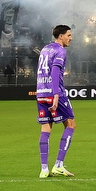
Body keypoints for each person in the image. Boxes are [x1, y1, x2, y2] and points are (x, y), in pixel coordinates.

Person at [36, 25, 76, 178]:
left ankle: (44, 169)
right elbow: (54, 72)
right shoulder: (60, 51)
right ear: (61, 36)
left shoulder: (45, 49)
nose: (70, 38)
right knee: (71, 124)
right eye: (69, 35)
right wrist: (56, 94)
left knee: (46, 129)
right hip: (54, 93)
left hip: (41, 92)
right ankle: (59, 164)